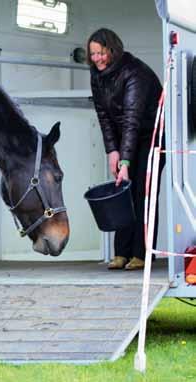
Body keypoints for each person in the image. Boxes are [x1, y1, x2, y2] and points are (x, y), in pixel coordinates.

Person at [87, 28, 165, 270]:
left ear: (113, 50)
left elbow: (132, 119)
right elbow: (104, 116)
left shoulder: (134, 72)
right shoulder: (97, 75)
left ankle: (142, 253)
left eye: (101, 53)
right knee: (123, 193)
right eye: (93, 54)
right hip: (126, 139)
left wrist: (126, 163)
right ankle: (121, 253)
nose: (97, 58)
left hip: (150, 138)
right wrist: (112, 152)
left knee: (143, 193)